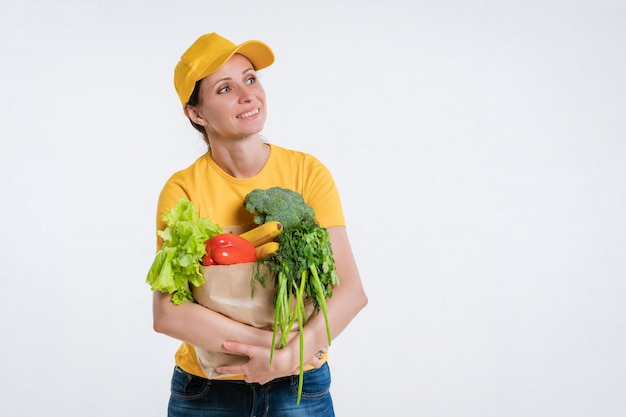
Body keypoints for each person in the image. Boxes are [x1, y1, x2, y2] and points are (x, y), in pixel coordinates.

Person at [151, 32, 368, 417]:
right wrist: (277, 351)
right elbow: (169, 313)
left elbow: (350, 291)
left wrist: (289, 360)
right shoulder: (183, 189)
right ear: (196, 113)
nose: (248, 95)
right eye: (225, 88)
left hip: (299, 386)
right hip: (207, 392)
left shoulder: (306, 172)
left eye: (251, 79)